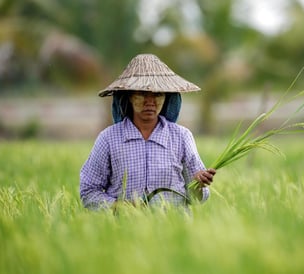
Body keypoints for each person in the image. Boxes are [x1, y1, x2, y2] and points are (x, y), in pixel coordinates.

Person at [80, 54, 216, 210]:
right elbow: (88, 192)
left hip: (174, 229)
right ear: (129, 97)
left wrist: (199, 185)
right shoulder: (109, 139)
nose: (150, 102)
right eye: (142, 94)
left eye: (157, 94)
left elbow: (198, 198)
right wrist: (121, 207)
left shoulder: (181, 137)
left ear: (167, 98)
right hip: (124, 230)